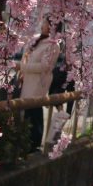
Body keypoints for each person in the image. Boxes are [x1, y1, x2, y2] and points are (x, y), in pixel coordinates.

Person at [14, 20, 59, 152]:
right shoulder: (35, 39)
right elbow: (26, 56)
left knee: (33, 111)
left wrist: (21, 67)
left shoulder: (53, 45)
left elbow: (45, 66)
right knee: (25, 112)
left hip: (37, 83)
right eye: (43, 23)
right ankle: (24, 144)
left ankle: (33, 145)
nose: (42, 25)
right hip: (25, 80)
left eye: (46, 24)